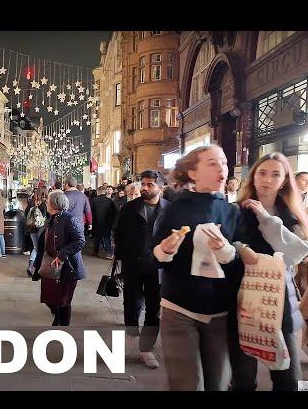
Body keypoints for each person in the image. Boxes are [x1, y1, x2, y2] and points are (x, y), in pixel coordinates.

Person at [152, 145, 240, 391]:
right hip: (180, 308)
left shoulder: (233, 211)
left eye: (223, 162)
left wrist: (226, 251)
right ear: (193, 173)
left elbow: (240, 266)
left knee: (218, 383)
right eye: (212, 163)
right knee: (186, 384)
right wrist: (165, 250)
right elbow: (152, 258)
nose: (221, 168)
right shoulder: (175, 209)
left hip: (221, 311)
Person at [228, 153, 308, 391]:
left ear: (284, 180)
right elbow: (227, 244)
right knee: (243, 377)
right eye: (262, 173)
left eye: (276, 174)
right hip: (242, 296)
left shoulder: (292, 214)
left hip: (278, 298)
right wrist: (239, 248)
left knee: (287, 377)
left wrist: (266, 218)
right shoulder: (236, 210)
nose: (267, 179)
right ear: (252, 178)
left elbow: (295, 254)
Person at [114, 170, 170, 369]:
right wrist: (119, 254)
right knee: (131, 303)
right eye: (143, 184)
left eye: (150, 185)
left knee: (154, 309)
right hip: (133, 263)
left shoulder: (169, 210)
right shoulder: (129, 208)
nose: (145, 188)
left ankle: (146, 349)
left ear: (161, 187)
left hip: (158, 266)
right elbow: (118, 232)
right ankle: (131, 335)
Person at [30, 190, 86, 326]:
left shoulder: (70, 219)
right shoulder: (52, 219)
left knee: (64, 301)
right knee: (50, 298)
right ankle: (58, 318)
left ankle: (62, 327)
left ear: (54, 203)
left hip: (68, 267)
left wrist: (62, 255)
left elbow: (80, 241)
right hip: (51, 266)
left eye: (48, 201)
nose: (46, 203)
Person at [25, 185, 49, 276]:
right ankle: (39, 268)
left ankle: (31, 265)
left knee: (35, 247)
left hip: (32, 228)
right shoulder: (46, 203)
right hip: (42, 229)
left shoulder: (32, 203)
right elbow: (49, 216)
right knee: (43, 249)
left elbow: (26, 214)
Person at [91, 185, 116, 259]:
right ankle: (109, 253)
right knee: (106, 238)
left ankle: (95, 252)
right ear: (105, 192)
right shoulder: (109, 201)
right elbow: (113, 212)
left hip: (97, 222)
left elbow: (91, 211)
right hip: (107, 223)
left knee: (97, 238)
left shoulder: (94, 200)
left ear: (98, 192)